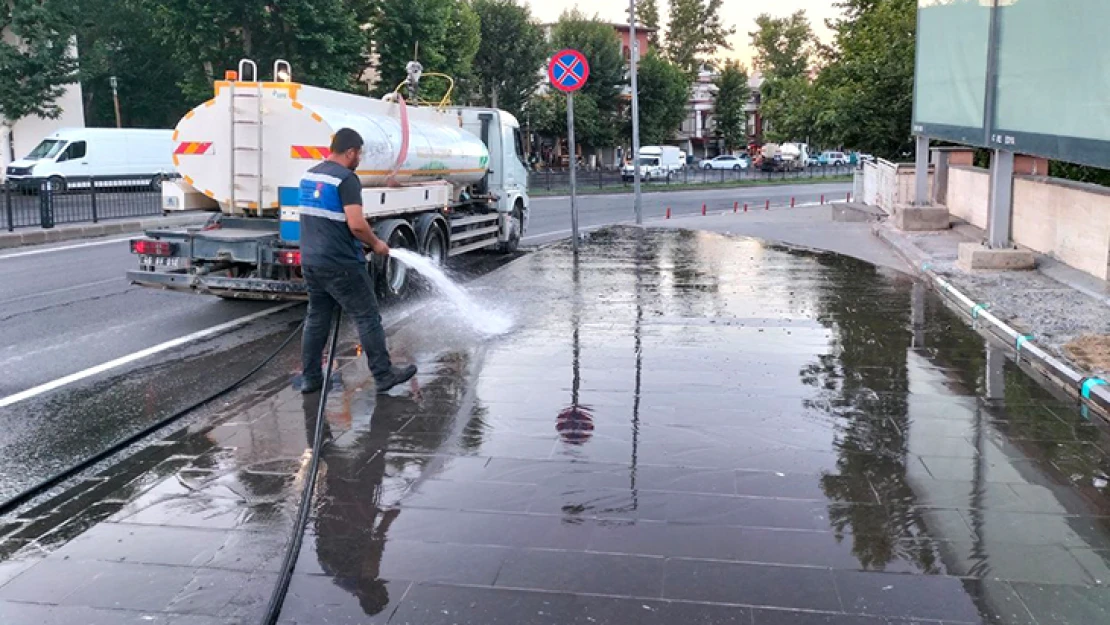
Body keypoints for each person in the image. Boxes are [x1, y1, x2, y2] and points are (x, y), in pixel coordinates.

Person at [298, 128, 417, 394]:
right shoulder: (346, 179)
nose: (359, 159)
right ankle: (384, 375)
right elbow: (356, 224)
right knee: (367, 316)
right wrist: (376, 244)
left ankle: (310, 378)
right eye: (359, 153)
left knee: (317, 318)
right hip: (341, 263)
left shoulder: (310, 175)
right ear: (350, 151)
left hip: (312, 260)